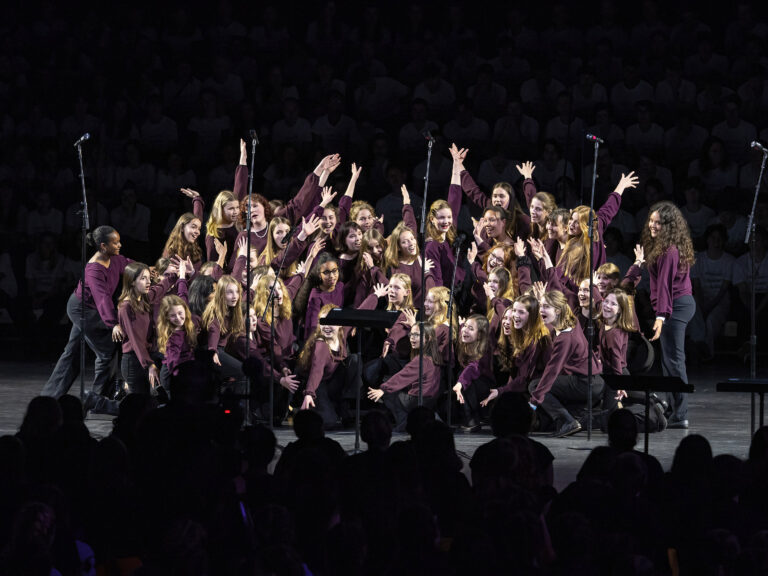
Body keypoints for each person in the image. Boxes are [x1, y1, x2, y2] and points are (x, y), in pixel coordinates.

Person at [42, 226, 129, 414]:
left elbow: (126, 263)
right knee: (107, 351)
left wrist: (148, 270)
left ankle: (49, 399)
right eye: (116, 242)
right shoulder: (94, 269)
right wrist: (113, 323)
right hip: (85, 310)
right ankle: (98, 399)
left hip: (88, 308)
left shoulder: (113, 258)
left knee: (73, 353)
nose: (120, 244)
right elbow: (102, 298)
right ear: (103, 246)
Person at [641, 201, 696, 429]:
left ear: (669, 226)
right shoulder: (666, 247)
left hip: (676, 306)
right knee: (669, 360)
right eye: (651, 221)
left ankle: (681, 413)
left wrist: (661, 316)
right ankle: (674, 408)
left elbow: (664, 285)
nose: (652, 225)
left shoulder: (669, 250)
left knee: (674, 360)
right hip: (675, 304)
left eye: (658, 222)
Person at [529, 290, 604, 438]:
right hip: (592, 381)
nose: (541, 310)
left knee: (535, 386)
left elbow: (552, 371)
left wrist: (533, 402)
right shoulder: (572, 321)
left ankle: (568, 421)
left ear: (557, 310)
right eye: (540, 306)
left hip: (586, 383)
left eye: (545, 307)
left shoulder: (565, 338)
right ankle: (566, 420)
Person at [117, 259, 185, 395]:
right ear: (132, 281)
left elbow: (160, 288)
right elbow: (136, 341)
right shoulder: (126, 307)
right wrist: (149, 365)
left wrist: (175, 274)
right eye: (143, 278)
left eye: (149, 278)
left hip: (146, 356)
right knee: (138, 405)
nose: (148, 282)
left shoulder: (143, 299)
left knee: (146, 404)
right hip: (134, 361)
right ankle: (100, 403)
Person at [368, 323, 442, 432]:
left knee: (390, 391)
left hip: (419, 399)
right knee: (397, 386)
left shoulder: (422, 360)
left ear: (428, 338)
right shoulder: (434, 357)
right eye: (411, 334)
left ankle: (404, 422)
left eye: (416, 335)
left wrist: (383, 389)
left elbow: (403, 376)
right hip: (430, 399)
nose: (412, 338)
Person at [482, 295, 552, 404]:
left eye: (521, 312)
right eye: (514, 310)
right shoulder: (520, 334)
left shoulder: (538, 339)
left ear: (532, 316)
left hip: (539, 390)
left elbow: (524, 378)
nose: (515, 315)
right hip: (525, 384)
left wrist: (501, 391)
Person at [452, 314, 493, 432]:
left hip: (484, 385)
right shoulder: (466, 340)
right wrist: (461, 325)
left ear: (480, 335)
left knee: (465, 378)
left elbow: (473, 367)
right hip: (470, 380)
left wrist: (460, 383)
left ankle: (472, 418)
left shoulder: (484, 350)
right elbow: (464, 331)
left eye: (471, 328)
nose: (465, 330)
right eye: (465, 326)